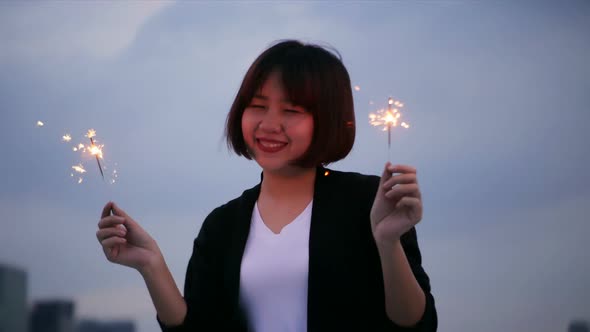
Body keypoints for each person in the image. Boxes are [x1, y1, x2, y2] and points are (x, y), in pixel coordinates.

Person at [96, 40, 437, 331]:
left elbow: (415, 324)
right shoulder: (223, 225)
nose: (269, 124)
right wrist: (151, 265)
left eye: (291, 110)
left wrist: (388, 241)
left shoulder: (368, 201)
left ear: (328, 120)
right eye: (258, 106)